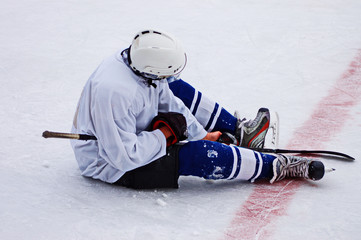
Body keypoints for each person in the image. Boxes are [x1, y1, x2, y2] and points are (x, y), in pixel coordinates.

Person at [70, 29, 325, 189]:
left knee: (176, 88)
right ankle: (276, 166)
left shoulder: (139, 62)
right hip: (111, 163)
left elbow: (167, 97)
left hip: (128, 132)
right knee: (197, 154)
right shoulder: (115, 94)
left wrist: (202, 133)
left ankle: (242, 132)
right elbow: (124, 157)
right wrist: (165, 136)